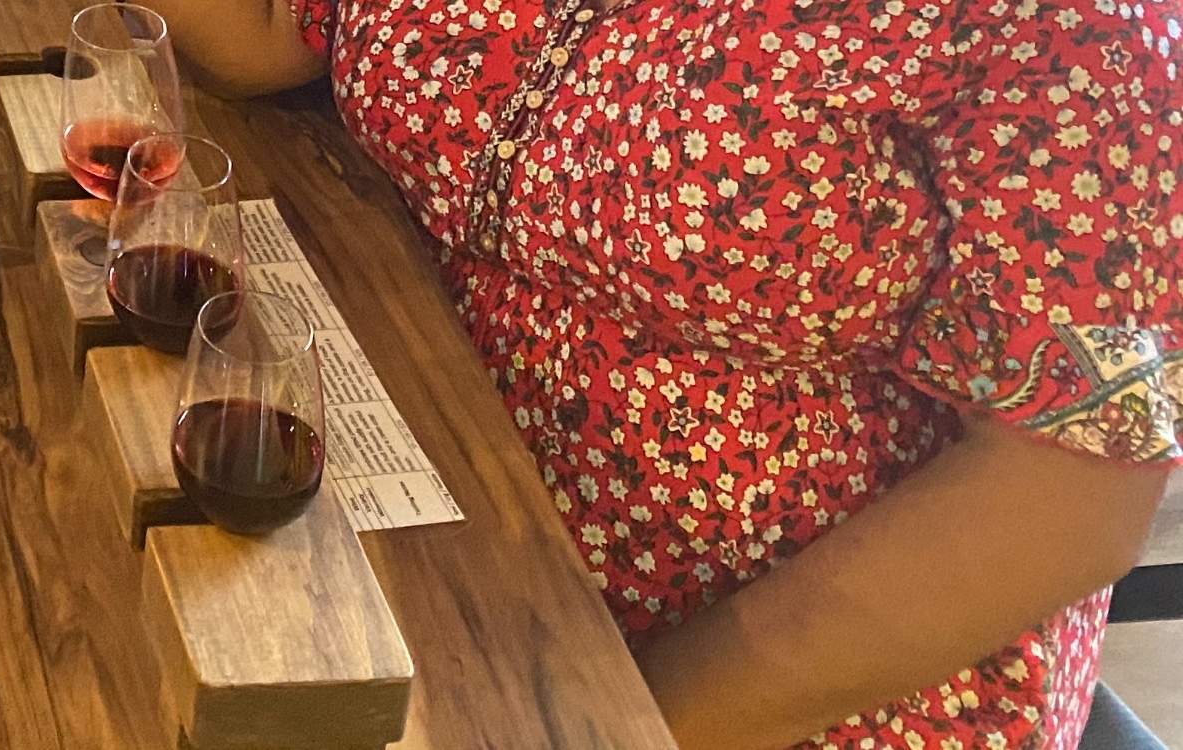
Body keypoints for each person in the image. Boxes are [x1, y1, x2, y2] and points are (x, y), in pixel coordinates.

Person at [153, 0, 1179, 747]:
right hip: (421, 507)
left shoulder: (1074, 26)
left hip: (755, 686)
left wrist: (604, 722)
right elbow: (276, 34)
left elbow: (1067, 502)